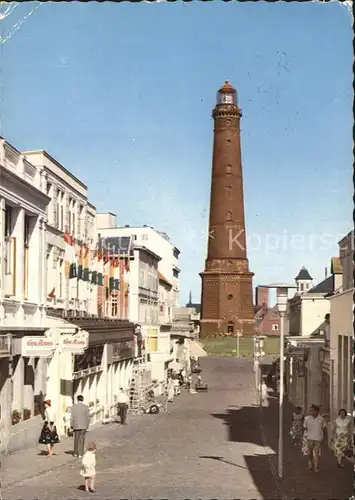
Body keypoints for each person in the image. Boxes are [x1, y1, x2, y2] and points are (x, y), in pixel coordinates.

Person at [303, 404, 326, 472]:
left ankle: (316, 467)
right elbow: (304, 427)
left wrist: (325, 438)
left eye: (312, 410)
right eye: (310, 411)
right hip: (309, 438)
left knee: (316, 453)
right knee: (310, 453)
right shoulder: (307, 418)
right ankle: (310, 463)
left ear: (316, 411)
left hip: (318, 439)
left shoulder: (321, 419)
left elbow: (324, 428)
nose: (310, 412)